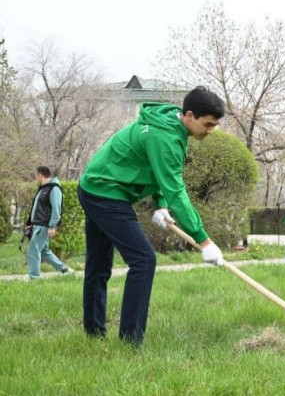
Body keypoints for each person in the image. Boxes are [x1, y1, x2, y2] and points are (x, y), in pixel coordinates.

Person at [78, 86, 225, 345]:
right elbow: (176, 189)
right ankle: (130, 341)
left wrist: (160, 204)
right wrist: (204, 240)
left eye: (215, 126)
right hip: (105, 192)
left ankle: (94, 334)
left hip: (98, 186)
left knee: (99, 266)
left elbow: (153, 167)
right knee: (144, 260)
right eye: (208, 124)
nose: (211, 131)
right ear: (189, 115)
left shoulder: (170, 124)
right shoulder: (166, 136)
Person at [25, 166, 72, 280]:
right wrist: (30, 222)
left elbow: (56, 209)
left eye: (36, 175)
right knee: (44, 251)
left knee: (33, 251)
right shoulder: (43, 188)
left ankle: (34, 278)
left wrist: (52, 226)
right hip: (39, 224)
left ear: (40, 175)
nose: (35, 177)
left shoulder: (53, 188)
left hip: (44, 225)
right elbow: (37, 208)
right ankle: (65, 270)